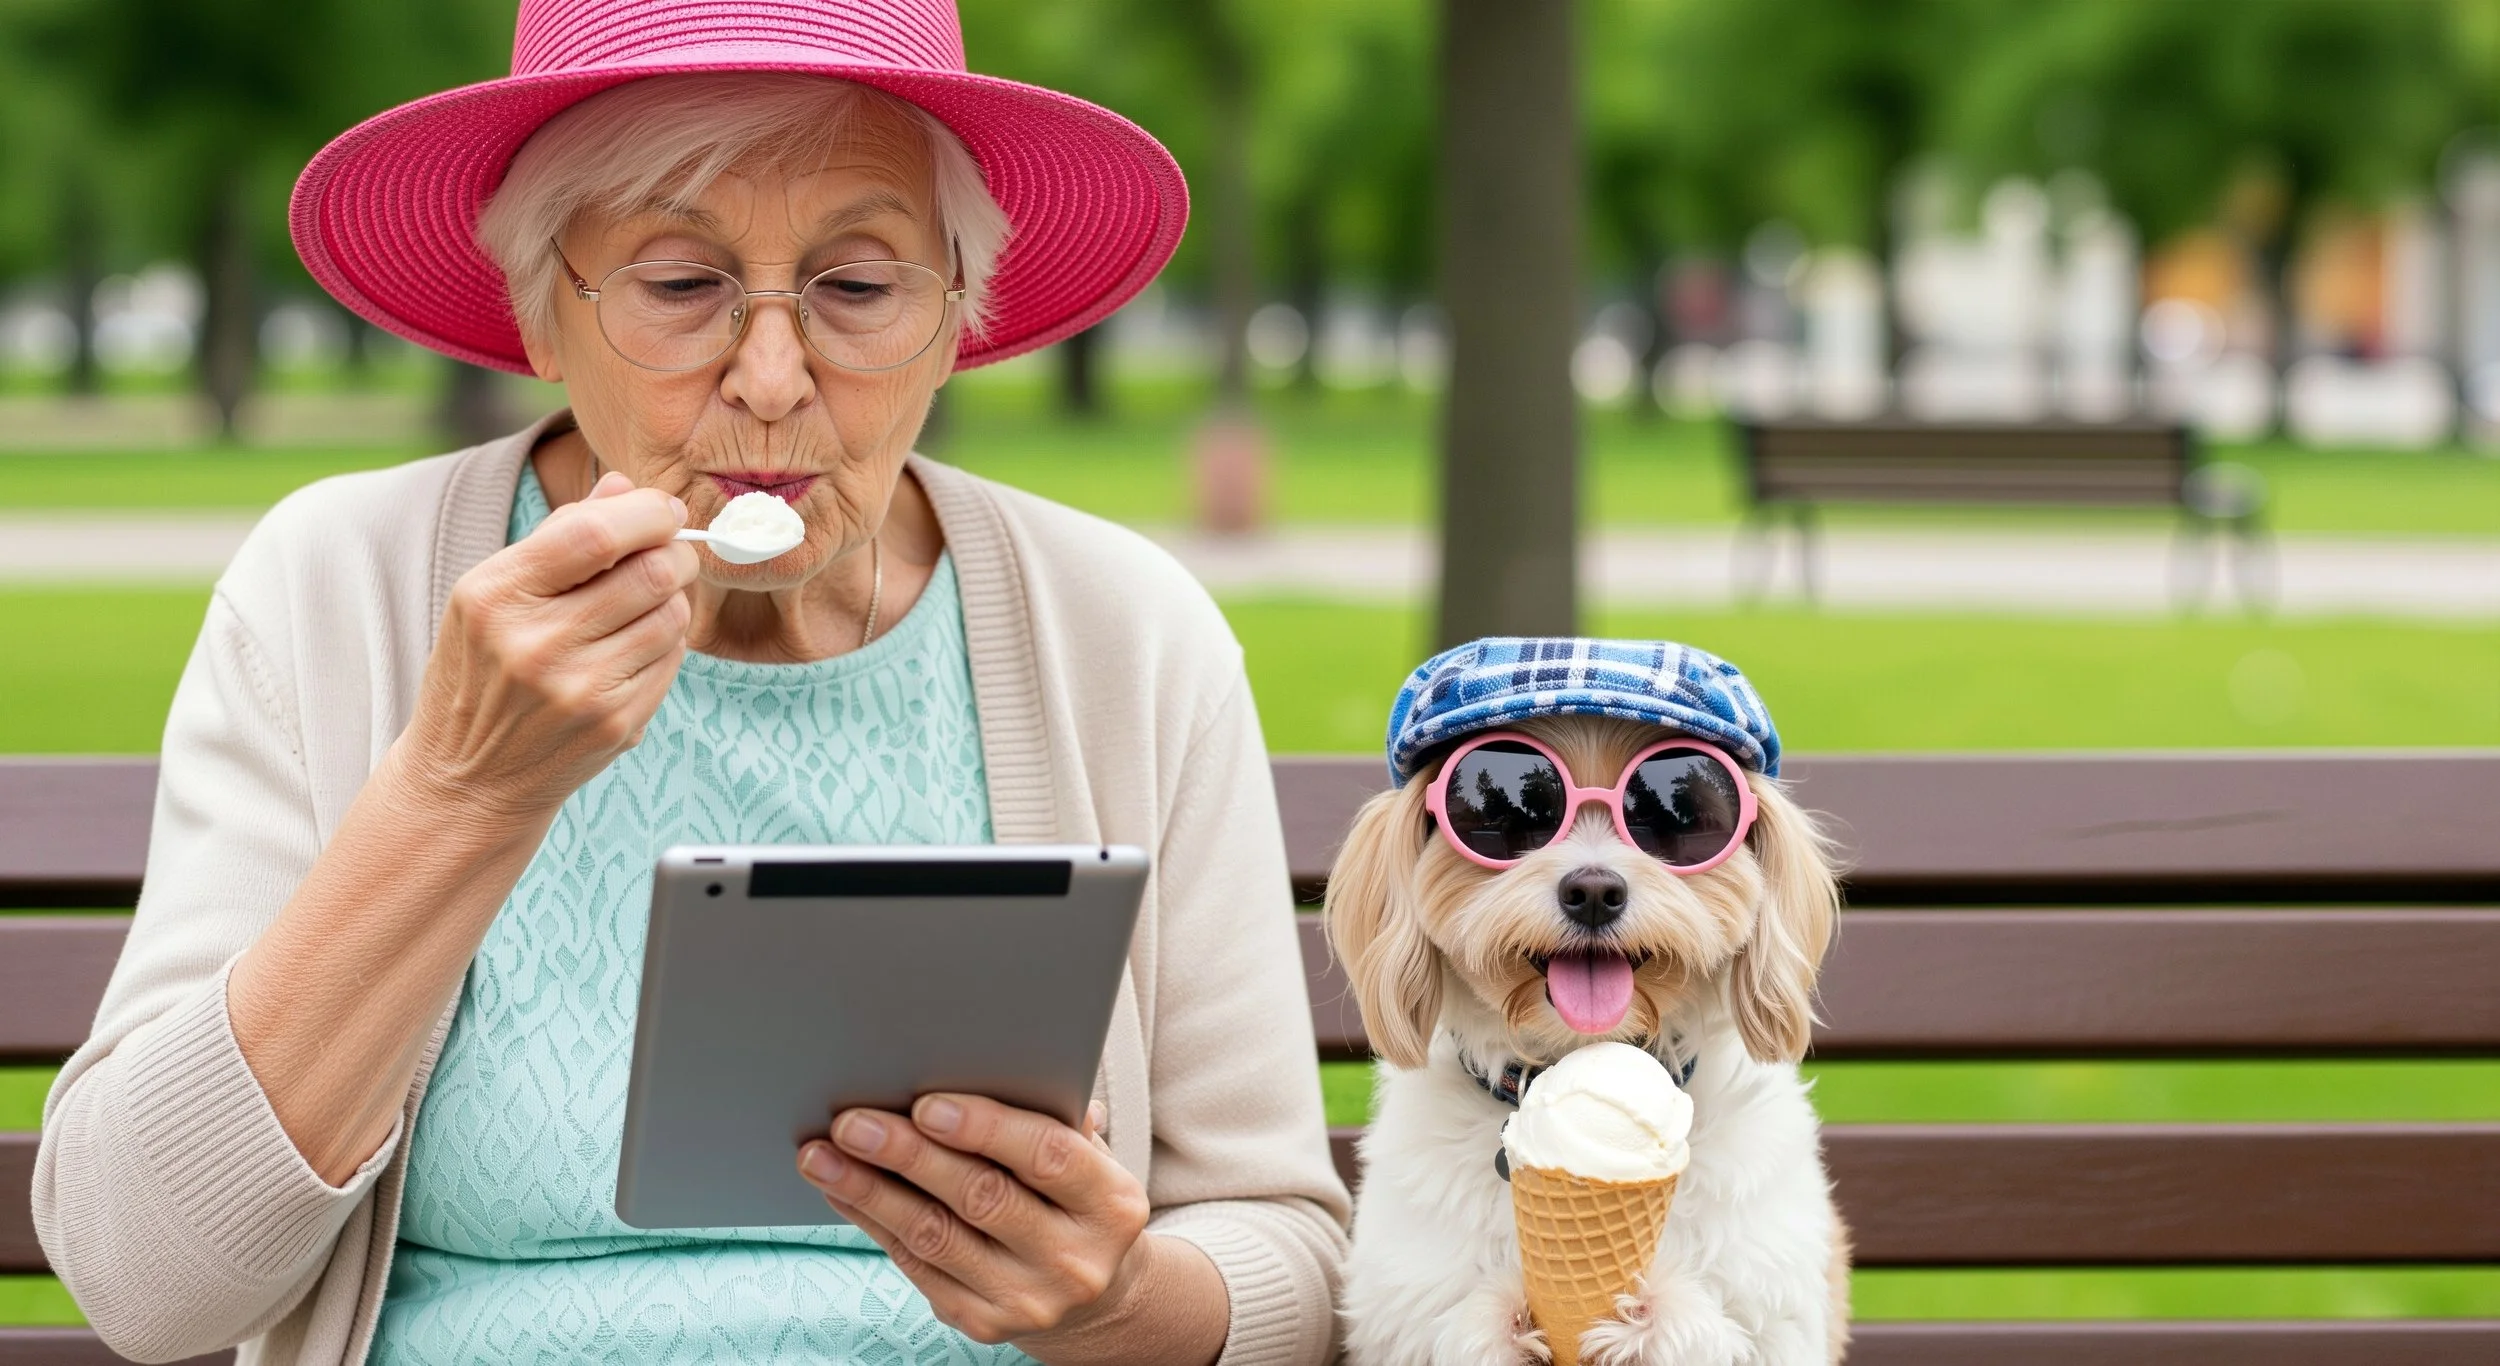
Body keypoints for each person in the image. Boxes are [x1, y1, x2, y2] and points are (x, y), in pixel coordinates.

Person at [31, 4, 1348, 1363]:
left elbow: (1291, 1256)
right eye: (677, 286)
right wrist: (461, 791)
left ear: (957, 314)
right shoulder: (335, 588)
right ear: (546, 309)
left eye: (856, 288)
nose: (774, 382)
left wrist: (1112, 1296)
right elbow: (145, 1280)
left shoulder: (1127, 632)